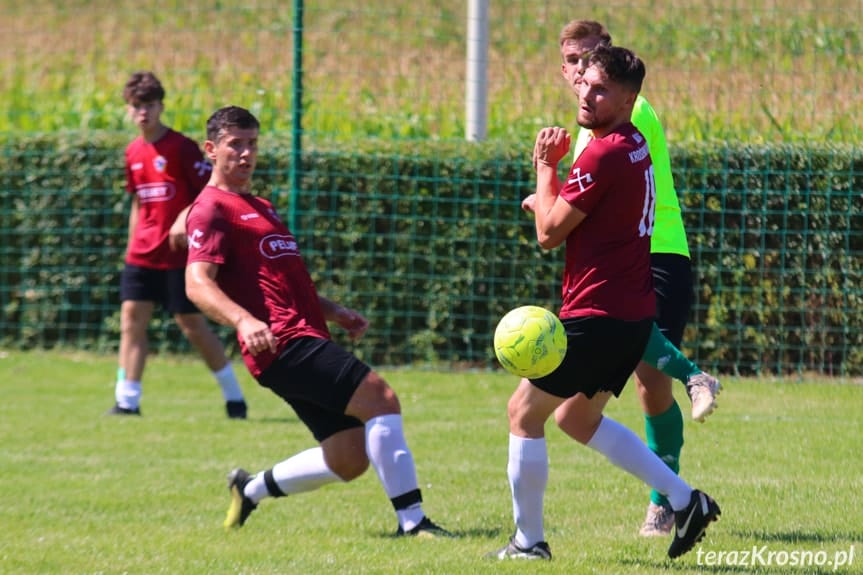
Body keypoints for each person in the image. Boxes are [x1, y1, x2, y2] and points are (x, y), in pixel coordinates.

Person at [488, 45, 720, 561]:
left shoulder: (604, 150)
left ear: (629, 97)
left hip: (598, 312)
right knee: (576, 419)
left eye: (602, 90)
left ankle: (529, 543)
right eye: (585, 84)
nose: (587, 96)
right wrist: (554, 194)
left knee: (523, 413)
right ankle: (686, 502)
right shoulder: (633, 143)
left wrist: (544, 167)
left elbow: (549, 234)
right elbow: (586, 213)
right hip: (630, 314)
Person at [184, 105, 448, 537]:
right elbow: (197, 283)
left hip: (300, 337)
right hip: (282, 343)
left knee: (348, 457)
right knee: (381, 398)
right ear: (211, 150)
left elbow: (283, 281)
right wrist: (244, 321)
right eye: (236, 145)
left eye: (253, 144)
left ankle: (250, 489)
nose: (247, 154)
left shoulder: (260, 205)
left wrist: (334, 311)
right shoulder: (211, 208)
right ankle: (414, 523)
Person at [558, 19, 722, 536]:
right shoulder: (589, 120)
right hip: (626, 252)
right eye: (572, 61)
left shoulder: (629, 108)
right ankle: (669, 497)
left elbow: (623, 183)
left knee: (647, 372)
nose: (582, 70)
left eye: (590, 58)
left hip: (658, 251)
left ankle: (666, 495)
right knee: (645, 378)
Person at [109, 71, 247, 419]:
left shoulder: (181, 147)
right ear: (129, 110)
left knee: (192, 325)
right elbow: (139, 202)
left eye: (150, 105)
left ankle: (234, 397)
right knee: (131, 320)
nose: (144, 113)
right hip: (141, 253)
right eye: (137, 106)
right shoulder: (133, 152)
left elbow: (209, 191)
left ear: (161, 107)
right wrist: (131, 244)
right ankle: (127, 400)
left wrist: (181, 219)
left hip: (177, 253)